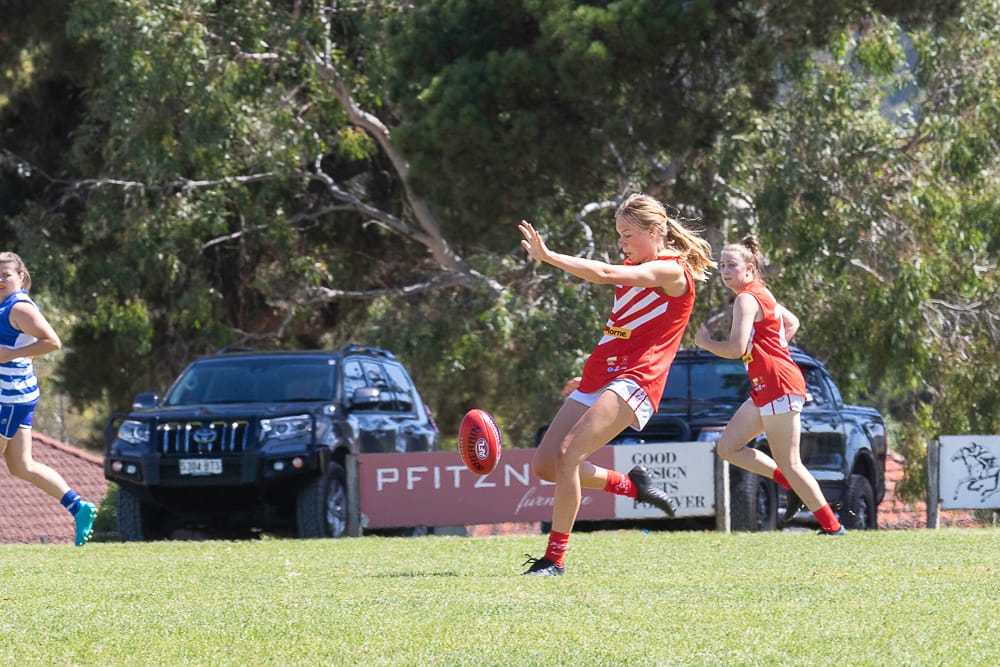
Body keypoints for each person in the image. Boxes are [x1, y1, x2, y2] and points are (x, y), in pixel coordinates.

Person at [518, 194, 715, 575]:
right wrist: (590, 375)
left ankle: (553, 560)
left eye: (627, 235)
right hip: (602, 374)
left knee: (571, 455)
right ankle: (630, 485)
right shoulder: (635, 263)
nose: (621, 244)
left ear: (655, 231)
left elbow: (604, 274)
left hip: (638, 379)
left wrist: (550, 256)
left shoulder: (672, 272)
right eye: (619, 237)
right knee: (545, 464)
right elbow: (623, 327)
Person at [693, 236, 844, 535]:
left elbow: (736, 348)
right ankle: (790, 485)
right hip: (768, 385)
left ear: (749, 270)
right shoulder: (761, 292)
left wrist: (707, 343)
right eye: (722, 265)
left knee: (790, 462)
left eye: (731, 265)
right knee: (728, 447)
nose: (724, 271)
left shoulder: (746, 298)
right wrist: (771, 348)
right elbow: (792, 323)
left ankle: (832, 526)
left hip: (778, 384)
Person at [0, 252, 97, 546]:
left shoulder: (18, 308)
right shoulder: (5, 305)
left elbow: (52, 341)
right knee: (21, 465)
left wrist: (11, 354)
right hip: (17, 394)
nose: (0, 280)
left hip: (10, 397)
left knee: (21, 464)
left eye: (6, 275)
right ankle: (79, 507)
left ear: (20, 276)